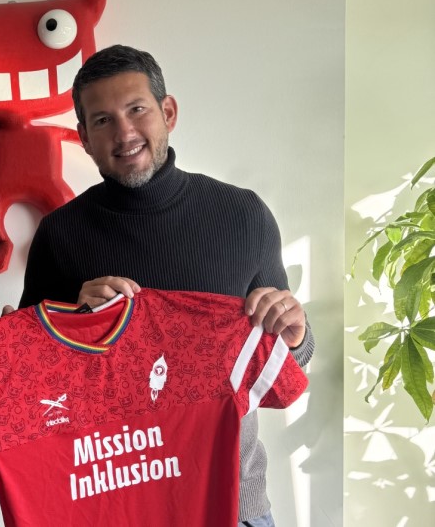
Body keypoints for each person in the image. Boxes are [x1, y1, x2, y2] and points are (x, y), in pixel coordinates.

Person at [19, 44, 315, 527]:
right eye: (102, 120)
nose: (124, 132)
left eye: (137, 109)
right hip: (114, 508)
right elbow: (32, 383)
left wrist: (294, 334)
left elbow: (287, 372)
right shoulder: (60, 234)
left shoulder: (242, 216)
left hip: (233, 504)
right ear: (84, 139)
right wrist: (72, 320)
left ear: (168, 112)